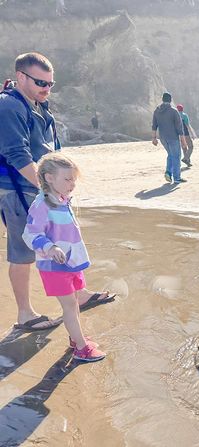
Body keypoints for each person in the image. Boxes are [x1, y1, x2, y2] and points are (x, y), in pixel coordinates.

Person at [23, 153, 110, 361]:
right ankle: (81, 348)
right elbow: (30, 233)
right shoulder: (42, 204)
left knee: (74, 303)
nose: (72, 184)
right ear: (49, 178)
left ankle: (75, 338)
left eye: (74, 179)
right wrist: (50, 247)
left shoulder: (61, 199)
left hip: (70, 263)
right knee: (70, 306)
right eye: (67, 179)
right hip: (55, 266)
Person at [0, 52, 62, 331]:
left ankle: (77, 294)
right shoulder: (9, 107)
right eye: (41, 82)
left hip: (33, 188)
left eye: (50, 84)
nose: (46, 89)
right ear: (21, 77)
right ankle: (25, 314)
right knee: (23, 251)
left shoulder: (36, 105)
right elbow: (17, 154)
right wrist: (48, 188)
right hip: (16, 190)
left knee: (61, 239)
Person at [152, 92, 187, 183]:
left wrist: (154, 138)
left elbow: (154, 125)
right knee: (176, 156)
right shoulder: (174, 111)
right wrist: (184, 142)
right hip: (173, 137)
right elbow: (180, 129)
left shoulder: (157, 111)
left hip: (163, 138)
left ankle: (168, 172)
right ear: (170, 100)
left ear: (162, 100)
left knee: (171, 155)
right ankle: (176, 178)